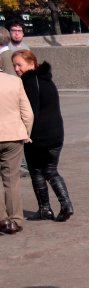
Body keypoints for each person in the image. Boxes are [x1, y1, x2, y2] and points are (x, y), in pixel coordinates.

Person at [12, 50, 73, 222]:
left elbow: (30, 112)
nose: (16, 69)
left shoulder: (30, 82)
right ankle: (64, 204)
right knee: (50, 170)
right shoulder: (47, 80)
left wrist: (23, 132)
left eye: (19, 65)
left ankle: (46, 208)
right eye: (14, 65)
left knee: (37, 171)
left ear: (31, 64)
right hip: (56, 134)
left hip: (38, 135)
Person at [0, 66, 33, 234]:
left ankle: (2, 219)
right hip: (13, 136)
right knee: (12, 179)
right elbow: (28, 113)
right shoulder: (15, 81)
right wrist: (25, 133)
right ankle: (15, 220)